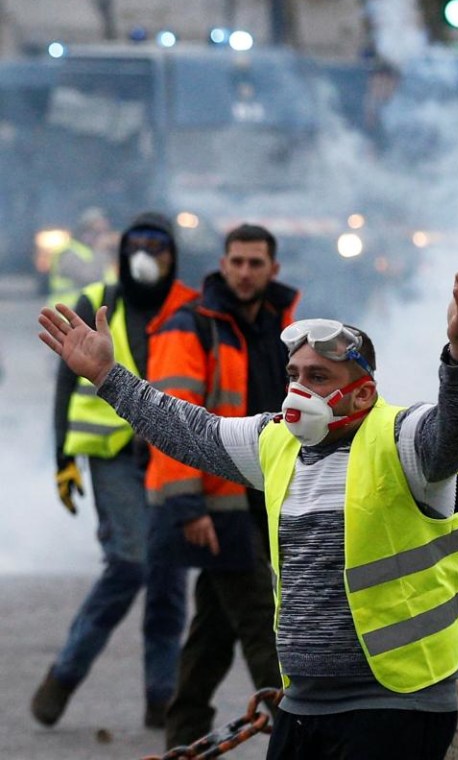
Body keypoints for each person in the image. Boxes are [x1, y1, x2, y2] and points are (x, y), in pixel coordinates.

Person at [38, 261, 458, 760]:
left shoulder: (402, 438)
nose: (299, 390)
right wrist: (107, 377)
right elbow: (189, 431)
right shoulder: (276, 442)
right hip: (305, 705)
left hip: (396, 706)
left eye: (318, 376)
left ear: (363, 392)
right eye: (293, 374)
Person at [32, 212, 199, 729]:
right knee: (129, 565)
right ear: (123, 251)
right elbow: (67, 380)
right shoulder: (97, 300)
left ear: (174, 255)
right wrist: (62, 456)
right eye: (139, 244)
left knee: (169, 578)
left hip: (171, 457)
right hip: (113, 458)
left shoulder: (191, 309)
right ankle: (65, 672)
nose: (148, 254)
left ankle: (161, 698)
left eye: (159, 245)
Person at [145, 223, 299, 747]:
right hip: (218, 501)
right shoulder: (190, 326)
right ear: (222, 263)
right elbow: (171, 419)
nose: (245, 272)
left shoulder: (285, 326)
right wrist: (188, 505)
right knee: (262, 624)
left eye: (256, 263)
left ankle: (182, 739)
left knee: (212, 632)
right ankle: (302, 737)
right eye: (237, 261)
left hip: (267, 495)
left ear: (272, 269)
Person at [45, 207, 119, 308]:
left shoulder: (98, 253)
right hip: (68, 314)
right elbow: (90, 277)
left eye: (105, 232)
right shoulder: (68, 254)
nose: (103, 236)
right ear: (84, 233)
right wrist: (100, 250)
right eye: (97, 232)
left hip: (92, 311)